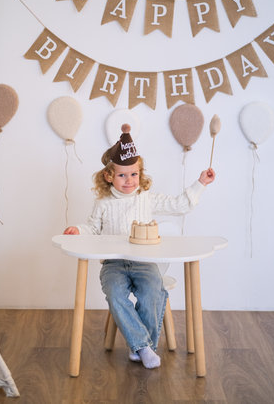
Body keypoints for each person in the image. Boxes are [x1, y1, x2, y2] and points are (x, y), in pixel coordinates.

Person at [64, 124, 215, 369]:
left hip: (144, 263)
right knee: (114, 293)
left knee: (153, 292)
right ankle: (143, 347)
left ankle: (141, 347)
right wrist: (77, 230)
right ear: (109, 176)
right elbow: (92, 228)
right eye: (122, 175)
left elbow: (180, 205)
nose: (129, 180)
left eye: (134, 174)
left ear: (140, 175)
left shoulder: (147, 198)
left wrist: (201, 183)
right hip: (114, 264)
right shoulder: (103, 203)